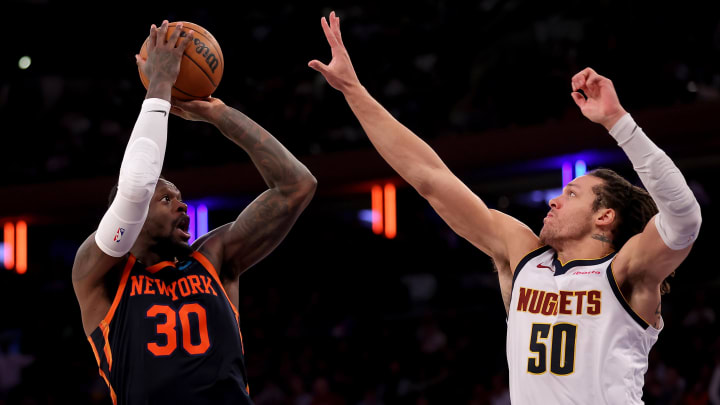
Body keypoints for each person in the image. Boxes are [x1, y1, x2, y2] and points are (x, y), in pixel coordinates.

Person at [309, 11, 701, 404]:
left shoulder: (627, 272)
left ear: (604, 216)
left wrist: (618, 122)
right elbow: (430, 177)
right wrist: (353, 91)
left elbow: (684, 218)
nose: (554, 199)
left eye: (572, 194)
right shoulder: (523, 255)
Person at [71, 21, 317, 405]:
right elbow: (135, 186)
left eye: (180, 197)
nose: (182, 204)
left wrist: (219, 115)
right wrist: (162, 83)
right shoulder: (97, 274)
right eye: (167, 198)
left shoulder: (213, 258)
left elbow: (297, 185)